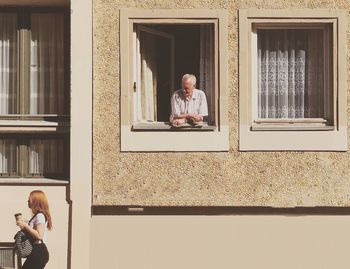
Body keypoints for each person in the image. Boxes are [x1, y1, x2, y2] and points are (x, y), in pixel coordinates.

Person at [16, 190, 52, 269]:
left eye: (30, 199)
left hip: (38, 251)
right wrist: (24, 227)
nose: (28, 201)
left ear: (36, 201)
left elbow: (39, 236)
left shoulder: (40, 216)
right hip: (36, 251)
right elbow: (34, 233)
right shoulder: (37, 215)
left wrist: (26, 226)